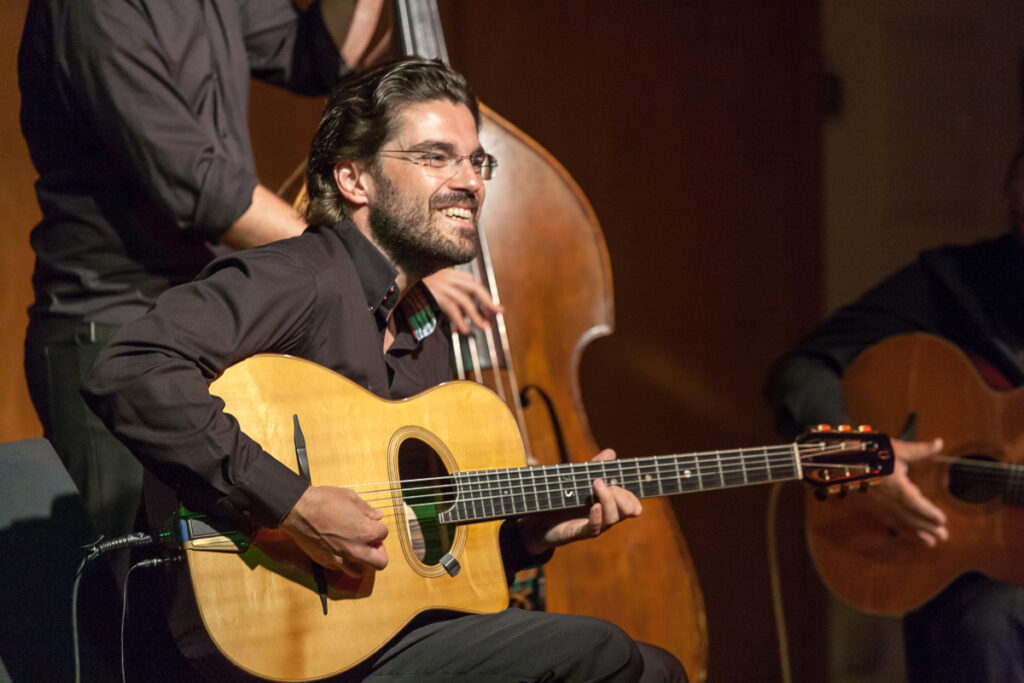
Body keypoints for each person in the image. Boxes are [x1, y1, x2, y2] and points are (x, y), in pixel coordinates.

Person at [81, 57, 686, 681]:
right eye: (435, 157)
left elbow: (421, 563)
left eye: (476, 161)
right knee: (601, 651)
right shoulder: (301, 279)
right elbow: (130, 367)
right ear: (354, 179)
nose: (470, 181)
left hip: (370, 637)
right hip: (270, 647)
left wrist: (528, 539)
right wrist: (293, 504)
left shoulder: (427, 328)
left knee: (658, 668)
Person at [18, 0, 493, 585]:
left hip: (224, 320)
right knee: (142, 597)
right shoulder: (97, 12)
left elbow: (319, 54)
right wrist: (373, 255)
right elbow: (200, 184)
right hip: (117, 321)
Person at [764, 140, 1024, 682]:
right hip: (979, 578)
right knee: (981, 624)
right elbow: (804, 369)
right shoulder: (958, 284)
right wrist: (862, 463)